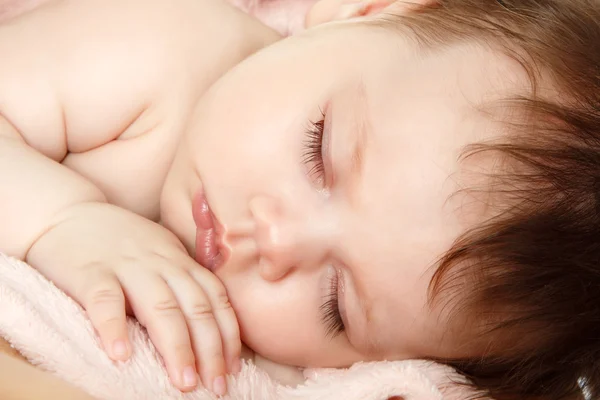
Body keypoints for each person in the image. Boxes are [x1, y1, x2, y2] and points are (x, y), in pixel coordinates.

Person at [0, 0, 598, 399]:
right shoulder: (159, 49)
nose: (277, 240)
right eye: (318, 152)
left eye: (335, 304)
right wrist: (62, 220)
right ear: (363, 13)